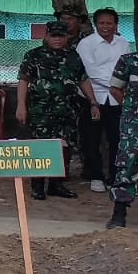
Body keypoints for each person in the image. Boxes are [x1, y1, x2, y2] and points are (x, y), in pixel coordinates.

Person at [16, 20, 89, 200]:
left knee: (64, 148)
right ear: (46, 36)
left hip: (67, 111)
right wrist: (21, 105)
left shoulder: (74, 56)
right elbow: (23, 81)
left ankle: (57, 185)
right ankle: (38, 186)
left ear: (66, 37)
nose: (57, 39)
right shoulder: (33, 55)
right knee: (40, 147)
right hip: (41, 111)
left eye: (61, 36)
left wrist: (93, 102)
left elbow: (83, 80)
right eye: (53, 35)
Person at [78, 7, 132, 193]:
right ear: (96, 24)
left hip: (117, 98)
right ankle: (96, 176)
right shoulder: (86, 44)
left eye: (109, 23)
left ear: (115, 24)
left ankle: (114, 176)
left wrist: (118, 86)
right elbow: (89, 72)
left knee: (116, 138)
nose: (105, 26)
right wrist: (113, 84)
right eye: (102, 23)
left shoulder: (123, 43)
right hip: (92, 97)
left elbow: (126, 67)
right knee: (91, 139)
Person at [106, 45, 138, 229]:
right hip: (134, 124)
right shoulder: (128, 60)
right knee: (127, 165)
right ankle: (119, 213)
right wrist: (132, 110)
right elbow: (115, 88)